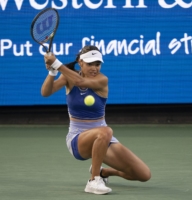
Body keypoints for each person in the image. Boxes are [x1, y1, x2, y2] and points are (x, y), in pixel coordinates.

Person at [41, 45, 151, 195]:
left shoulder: (102, 80)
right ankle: (94, 181)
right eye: (89, 64)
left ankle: (103, 172)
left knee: (144, 175)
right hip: (78, 139)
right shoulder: (68, 77)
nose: (94, 68)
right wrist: (52, 71)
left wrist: (56, 63)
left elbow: (80, 82)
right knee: (105, 131)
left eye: (97, 64)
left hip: (103, 138)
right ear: (80, 62)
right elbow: (46, 92)